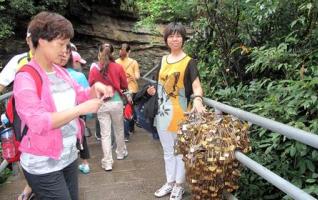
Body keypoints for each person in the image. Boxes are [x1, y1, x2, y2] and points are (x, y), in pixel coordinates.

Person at [13, 11, 113, 200]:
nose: (65, 50)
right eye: (61, 44)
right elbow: (38, 122)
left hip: (68, 157)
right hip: (42, 164)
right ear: (42, 41)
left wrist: (94, 89)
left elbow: (81, 96)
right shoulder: (25, 77)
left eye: (67, 44)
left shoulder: (60, 71)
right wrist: (81, 110)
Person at [148, 22, 205, 200]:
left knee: (181, 151)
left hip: (182, 114)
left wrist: (197, 99)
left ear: (183, 39)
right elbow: (158, 83)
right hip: (163, 113)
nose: (174, 39)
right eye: (171, 36)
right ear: (166, 39)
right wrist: (152, 90)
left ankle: (179, 185)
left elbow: (197, 86)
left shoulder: (189, 62)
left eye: (178, 36)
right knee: (167, 151)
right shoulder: (163, 60)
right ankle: (170, 182)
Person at [88, 43, 128, 171]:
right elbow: (124, 84)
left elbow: (91, 85)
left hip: (102, 103)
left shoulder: (94, 69)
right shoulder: (118, 67)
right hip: (116, 101)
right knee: (119, 129)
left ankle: (108, 162)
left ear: (100, 52)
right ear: (112, 53)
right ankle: (121, 153)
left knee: (105, 134)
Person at [61, 48, 91, 174]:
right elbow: (87, 96)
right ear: (73, 62)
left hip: (61, 114)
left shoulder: (56, 74)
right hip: (78, 112)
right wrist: (87, 115)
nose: (80, 65)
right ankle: (85, 163)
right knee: (81, 136)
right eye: (79, 63)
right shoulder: (79, 76)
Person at [115, 43, 140, 141]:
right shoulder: (134, 62)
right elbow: (137, 76)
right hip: (132, 89)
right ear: (129, 51)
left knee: (124, 109)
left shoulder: (115, 62)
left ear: (119, 51)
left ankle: (126, 132)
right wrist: (130, 76)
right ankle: (131, 128)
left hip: (121, 89)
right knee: (131, 108)